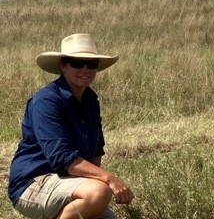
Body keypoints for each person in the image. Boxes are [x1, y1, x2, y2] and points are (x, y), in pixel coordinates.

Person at [8, 33, 134, 219]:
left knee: (104, 208)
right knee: (99, 193)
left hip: (69, 182)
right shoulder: (46, 102)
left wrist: (95, 183)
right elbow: (62, 157)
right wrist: (108, 179)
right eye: (77, 62)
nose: (85, 69)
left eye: (91, 64)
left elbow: (95, 151)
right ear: (63, 66)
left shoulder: (91, 101)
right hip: (32, 184)